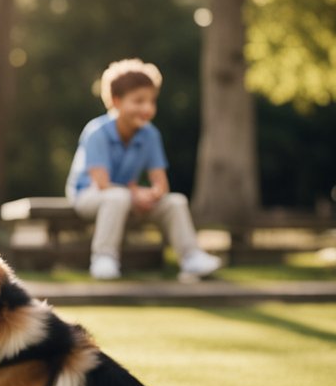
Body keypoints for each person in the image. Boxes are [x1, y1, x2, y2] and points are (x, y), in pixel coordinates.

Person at [65, 58, 223, 281]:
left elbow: (161, 184)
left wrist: (153, 194)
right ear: (116, 101)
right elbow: (101, 184)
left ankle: (191, 258)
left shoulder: (150, 134)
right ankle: (103, 258)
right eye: (138, 101)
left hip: (129, 196)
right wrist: (134, 193)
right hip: (88, 196)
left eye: (151, 101)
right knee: (117, 196)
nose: (147, 108)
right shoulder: (96, 132)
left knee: (175, 202)